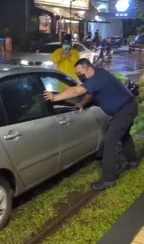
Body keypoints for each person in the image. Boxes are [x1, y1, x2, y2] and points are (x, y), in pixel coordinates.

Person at [43, 58, 138, 191]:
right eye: (77, 74)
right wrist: (82, 103)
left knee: (110, 141)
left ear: (88, 68)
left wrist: (55, 97)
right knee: (124, 135)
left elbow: (77, 91)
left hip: (125, 109)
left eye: (80, 73)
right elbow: (90, 93)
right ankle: (132, 161)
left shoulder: (99, 77)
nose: (79, 76)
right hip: (125, 108)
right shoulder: (94, 76)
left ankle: (108, 179)